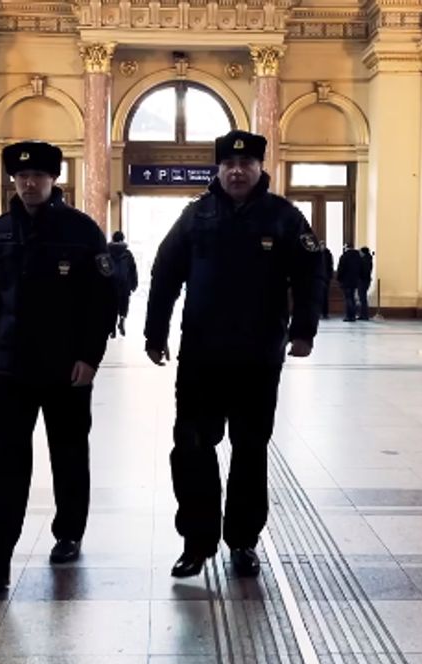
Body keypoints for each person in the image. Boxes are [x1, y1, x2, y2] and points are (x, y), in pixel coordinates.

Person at [144, 130, 325, 579]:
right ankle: (196, 541)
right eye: (229, 164)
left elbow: (311, 275)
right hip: (201, 358)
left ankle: (243, 541)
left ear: (261, 168)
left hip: (258, 358)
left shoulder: (283, 218)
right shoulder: (195, 216)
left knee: (249, 450)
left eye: (246, 164)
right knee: (191, 448)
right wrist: (154, 332)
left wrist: (304, 330)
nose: (237, 171)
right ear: (218, 169)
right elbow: (164, 274)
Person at [0, 140, 117, 589]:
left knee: (67, 454)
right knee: (6, 461)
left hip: (66, 369)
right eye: (22, 177)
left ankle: (68, 533)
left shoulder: (81, 231)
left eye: (38, 176)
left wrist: (90, 357)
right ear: (13, 180)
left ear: (53, 180)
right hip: (10, 368)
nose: (29, 183)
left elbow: (101, 301)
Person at [108, 230, 139, 337]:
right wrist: (134, 284)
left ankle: (112, 328)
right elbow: (133, 270)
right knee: (124, 305)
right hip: (125, 285)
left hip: (111, 285)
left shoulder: (107, 252)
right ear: (123, 239)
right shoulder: (127, 253)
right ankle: (121, 320)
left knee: (112, 306)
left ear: (113, 239)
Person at [336, 243, 362, 322]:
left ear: (346, 247)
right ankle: (353, 316)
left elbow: (340, 269)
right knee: (353, 298)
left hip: (346, 281)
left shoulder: (344, 257)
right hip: (355, 281)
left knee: (348, 298)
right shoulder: (358, 257)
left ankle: (348, 315)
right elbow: (361, 269)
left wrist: (339, 278)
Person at [358, 246, 374, 320]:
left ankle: (364, 315)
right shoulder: (368, 259)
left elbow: (364, 271)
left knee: (362, 298)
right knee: (362, 298)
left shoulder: (365, 260)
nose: (359, 253)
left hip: (363, 280)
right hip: (365, 280)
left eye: (360, 252)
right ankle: (363, 314)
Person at [320, 245, 335, 319]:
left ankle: (324, 313)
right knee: (323, 296)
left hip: (323, 278)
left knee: (323, 296)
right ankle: (323, 313)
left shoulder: (323, 254)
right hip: (324, 278)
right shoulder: (328, 254)